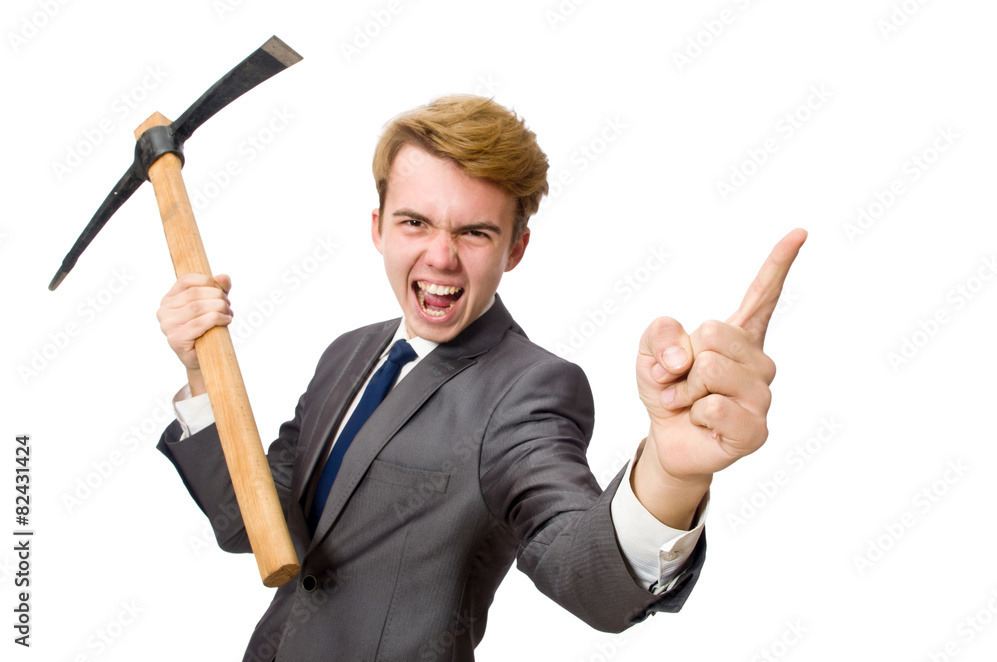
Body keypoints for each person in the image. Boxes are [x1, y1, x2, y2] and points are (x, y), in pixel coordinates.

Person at [155, 94, 806, 661]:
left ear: (515, 248)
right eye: (415, 222)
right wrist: (199, 373)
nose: (440, 256)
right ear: (378, 229)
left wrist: (672, 474)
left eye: (473, 232)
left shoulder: (531, 389)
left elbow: (581, 570)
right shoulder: (346, 356)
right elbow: (254, 525)